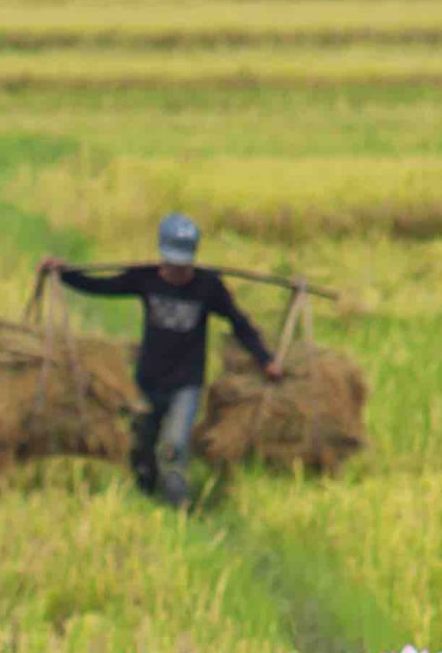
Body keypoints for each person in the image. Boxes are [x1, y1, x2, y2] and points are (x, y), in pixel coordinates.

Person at [42, 213, 283, 507]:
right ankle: (146, 494)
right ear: (162, 257)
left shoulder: (208, 286)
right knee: (140, 446)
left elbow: (239, 322)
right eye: (172, 264)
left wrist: (265, 359)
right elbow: (101, 286)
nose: (178, 272)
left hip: (186, 383)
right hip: (148, 380)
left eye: (184, 265)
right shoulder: (144, 277)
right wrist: (64, 274)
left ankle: (178, 507)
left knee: (174, 447)